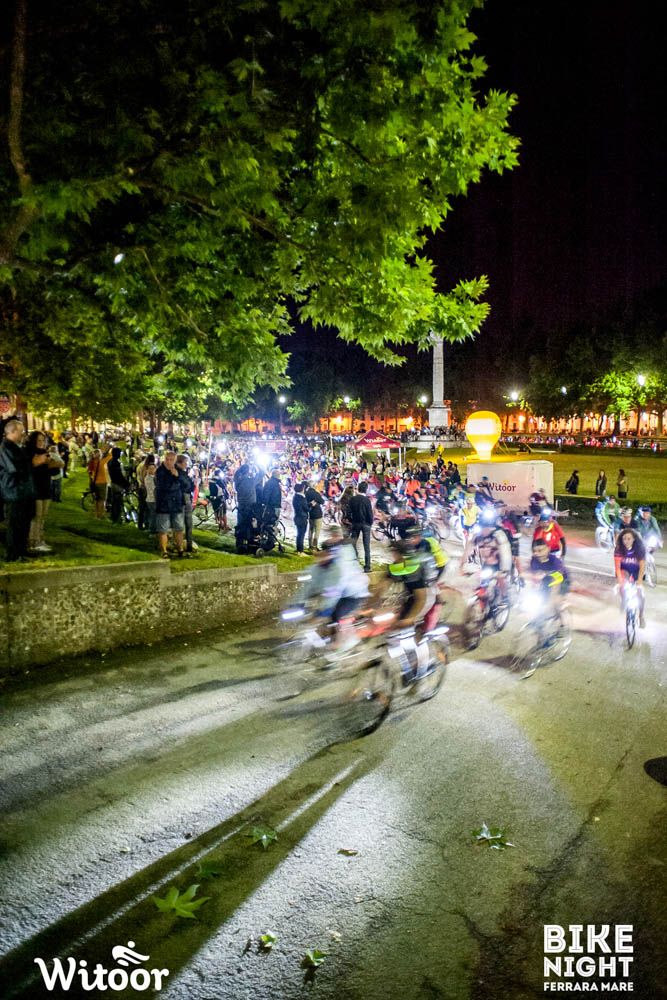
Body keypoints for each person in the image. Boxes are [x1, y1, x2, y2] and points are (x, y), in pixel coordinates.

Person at [0, 418, 36, 561]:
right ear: (13, 432)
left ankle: (21, 550)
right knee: (15, 524)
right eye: (21, 431)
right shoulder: (5, 448)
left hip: (22, 491)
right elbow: (13, 468)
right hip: (14, 491)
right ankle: (13, 554)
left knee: (24, 523)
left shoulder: (15, 447)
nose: (23, 434)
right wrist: (33, 463)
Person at [25, 430, 58, 553]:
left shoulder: (46, 453)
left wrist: (53, 464)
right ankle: (34, 541)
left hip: (46, 487)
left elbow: (53, 472)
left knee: (43, 516)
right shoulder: (29, 453)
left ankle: (40, 539)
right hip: (35, 488)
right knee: (36, 516)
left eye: (43, 440)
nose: (41, 442)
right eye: (39, 440)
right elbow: (29, 470)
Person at [155, 451, 185, 559]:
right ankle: (164, 550)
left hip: (176, 504)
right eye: (167, 459)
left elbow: (187, 485)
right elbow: (164, 486)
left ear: (175, 461)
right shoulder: (160, 471)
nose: (168, 462)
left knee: (179, 528)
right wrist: (174, 477)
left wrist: (178, 476)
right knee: (163, 529)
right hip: (164, 504)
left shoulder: (179, 471)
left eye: (171, 460)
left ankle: (180, 549)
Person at [614, 528, 646, 628]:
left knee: (640, 593)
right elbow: (617, 567)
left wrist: (639, 580)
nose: (626, 541)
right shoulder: (618, 549)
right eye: (624, 539)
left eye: (629, 539)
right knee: (622, 587)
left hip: (637, 571)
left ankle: (641, 616)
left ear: (633, 539)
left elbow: (642, 566)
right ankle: (624, 600)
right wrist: (620, 581)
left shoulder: (640, 549)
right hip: (625, 571)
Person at [529, 537, 570, 613]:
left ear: (548, 549)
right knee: (541, 598)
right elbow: (534, 576)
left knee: (557, 603)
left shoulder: (554, 561)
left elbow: (557, 583)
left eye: (540, 550)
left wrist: (551, 601)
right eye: (534, 551)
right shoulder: (534, 560)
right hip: (547, 578)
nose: (537, 554)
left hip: (562, 580)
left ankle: (563, 617)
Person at [349, 481, 373, 573]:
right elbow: (370, 514)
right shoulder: (367, 500)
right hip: (366, 524)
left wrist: (351, 521)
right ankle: (367, 566)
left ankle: (354, 561)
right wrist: (370, 523)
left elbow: (349, 512)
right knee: (366, 546)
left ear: (358, 489)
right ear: (366, 489)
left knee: (353, 543)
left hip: (356, 523)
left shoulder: (353, 499)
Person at [175, 454, 196, 555]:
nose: (186, 464)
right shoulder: (176, 473)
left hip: (187, 498)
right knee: (180, 524)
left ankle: (189, 545)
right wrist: (191, 485)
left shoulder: (184, 473)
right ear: (180, 463)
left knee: (189, 523)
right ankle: (179, 545)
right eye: (185, 462)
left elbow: (190, 486)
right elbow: (186, 485)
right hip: (180, 498)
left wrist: (192, 484)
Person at [88, 445, 112, 518]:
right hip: (102, 483)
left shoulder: (91, 463)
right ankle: (101, 514)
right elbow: (110, 456)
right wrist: (110, 449)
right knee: (102, 499)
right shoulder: (101, 462)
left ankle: (97, 513)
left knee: (97, 499)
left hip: (95, 483)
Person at [108, 447, 129, 524]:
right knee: (118, 502)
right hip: (117, 484)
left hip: (113, 483)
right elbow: (119, 475)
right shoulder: (115, 463)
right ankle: (117, 518)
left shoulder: (110, 462)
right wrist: (126, 484)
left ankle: (114, 517)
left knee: (115, 502)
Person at [305, 480, 324, 551]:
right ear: (313, 486)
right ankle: (314, 546)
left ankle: (310, 545)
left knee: (310, 529)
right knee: (317, 530)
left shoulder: (306, 493)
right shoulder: (316, 493)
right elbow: (322, 501)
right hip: (317, 513)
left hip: (310, 513)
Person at [292, 482, 309, 556]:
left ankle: (298, 549)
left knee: (299, 534)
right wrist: (311, 505)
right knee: (302, 534)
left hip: (297, 517)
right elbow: (306, 508)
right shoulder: (302, 498)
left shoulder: (295, 497)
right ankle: (301, 551)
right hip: (302, 517)